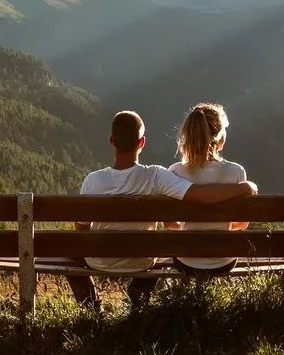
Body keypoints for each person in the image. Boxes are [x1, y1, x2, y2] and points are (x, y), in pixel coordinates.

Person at [67, 109, 256, 310]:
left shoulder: (92, 180)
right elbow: (199, 194)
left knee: (67, 250)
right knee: (162, 250)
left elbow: (82, 229)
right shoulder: (156, 176)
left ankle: (90, 305)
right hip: (143, 261)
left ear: (112, 141)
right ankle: (139, 293)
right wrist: (245, 188)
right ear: (142, 143)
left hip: (98, 260)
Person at [168, 102, 249, 274]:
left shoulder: (175, 171)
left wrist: (189, 227)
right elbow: (242, 224)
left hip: (186, 260)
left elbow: (168, 224)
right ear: (220, 138)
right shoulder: (236, 171)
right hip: (224, 261)